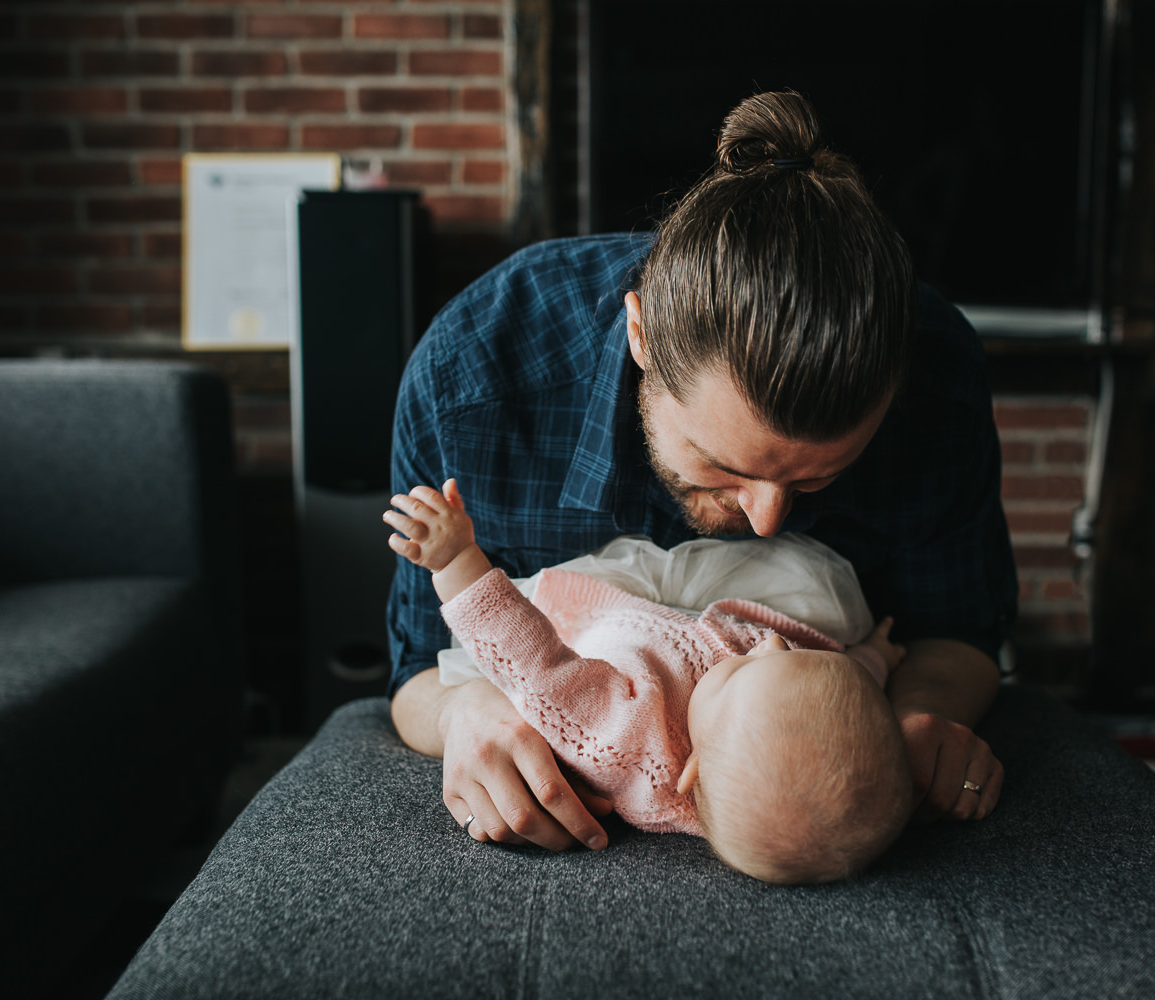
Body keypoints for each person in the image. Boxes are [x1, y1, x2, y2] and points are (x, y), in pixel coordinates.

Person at [387, 90, 1017, 853]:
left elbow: (958, 634)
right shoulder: (475, 376)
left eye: (820, 480)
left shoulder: (937, 377)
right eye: (723, 469)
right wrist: (465, 712)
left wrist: (920, 717)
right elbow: (418, 667)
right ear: (641, 335)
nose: (768, 521)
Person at [386, 479, 914, 884]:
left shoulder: (625, 739)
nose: (770, 645)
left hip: (586, 626)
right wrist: (875, 657)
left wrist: (457, 560)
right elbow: (846, 687)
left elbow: (534, 662)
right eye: (790, 656)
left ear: (693, 771)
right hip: (684, 607)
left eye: (748, 668)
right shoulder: (768, 728)